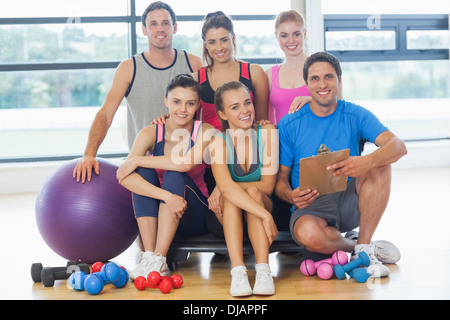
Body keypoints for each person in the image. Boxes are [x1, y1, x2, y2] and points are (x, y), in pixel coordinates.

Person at [275, 52, 407, 278]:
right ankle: (360, 248)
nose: (322, 84)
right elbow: (280, 180)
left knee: (381, 164)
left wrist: (366, 162)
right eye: (315, 79)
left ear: (339, 80)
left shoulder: (355, 114)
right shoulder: (290, 123)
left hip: (348, 199)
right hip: (311, 206)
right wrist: (290, 195)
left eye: (329, 77)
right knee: (309, 235)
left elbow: (398, 146)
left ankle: (363, 245)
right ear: (306, 84)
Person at [73, 1, 202, 183]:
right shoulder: (128, 68)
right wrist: (89, 154)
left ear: (175, 27)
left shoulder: (194, 64)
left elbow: (206, 112)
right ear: (144, 30)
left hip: (182, 160)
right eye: (153, 24)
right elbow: (106, 114)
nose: (160, 29)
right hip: (144, 161)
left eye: (165, 23)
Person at [116, 74, 216, 279]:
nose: (182, 109)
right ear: (166, 101)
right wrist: (167, 197)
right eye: (176, 102)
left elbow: (186, 162)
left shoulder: (206, 131)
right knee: (141, 173)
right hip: (164, 211)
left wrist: (138, 159)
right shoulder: (150, 132)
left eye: (190, 103)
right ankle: (150, 255)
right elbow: (123, 175)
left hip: (193, 214)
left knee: (173, 173)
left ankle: (160, 259)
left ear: (197, 106)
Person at [209, 81, 279, 297]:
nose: (245, 111)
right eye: (235, 107)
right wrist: (265, 216)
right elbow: (227, 192)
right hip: (229, 213)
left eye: (247, 103)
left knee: (253, 193)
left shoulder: (267, 132)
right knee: (232, 198)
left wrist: (225, 186)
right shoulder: (218, 142)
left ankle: (263, 271)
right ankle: (238, 271)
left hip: (260, 202)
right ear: (222, 114)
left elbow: (267, 186)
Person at [266, 10, 343, 125]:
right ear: (276, 37)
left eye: (296, 34)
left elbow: (340, 109)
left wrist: (313, 100)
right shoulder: (269, 75)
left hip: (320, 141)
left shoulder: (323, 68)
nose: (291, 41)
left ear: (305, 34)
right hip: (282, 142)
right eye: (284, 35)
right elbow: (266, 119)